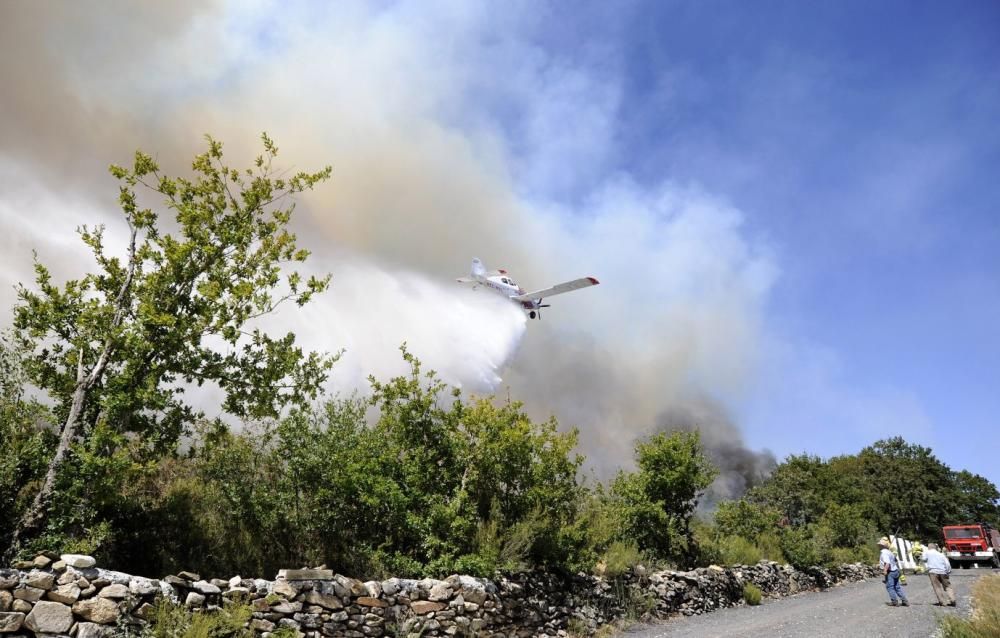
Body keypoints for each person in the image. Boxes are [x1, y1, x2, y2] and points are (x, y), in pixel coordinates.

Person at [879, 537, 909, 607]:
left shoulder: (884, 553)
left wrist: (885, 570)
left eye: (879, 545)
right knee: (897, 587)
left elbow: (887, 563)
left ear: (882, 545)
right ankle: (905, 601)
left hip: (890, 571)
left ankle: (894, 602)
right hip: (896, 570)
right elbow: (895, 560)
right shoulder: (890, 552)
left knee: (890, 587)